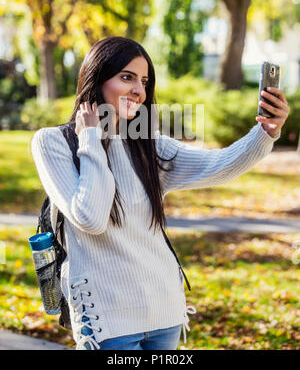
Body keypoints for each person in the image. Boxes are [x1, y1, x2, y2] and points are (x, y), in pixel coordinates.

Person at [30, 36, 289, 350]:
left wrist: (266, 131)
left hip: (164, 312)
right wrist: (91, 140)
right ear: (96, 78)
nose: (139, 90)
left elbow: (218, 164)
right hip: (107, 321)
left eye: (144, 81)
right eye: (127, 77)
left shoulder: (147, 146)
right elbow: (91, 217)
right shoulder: (53, 143)